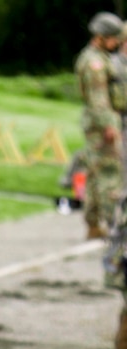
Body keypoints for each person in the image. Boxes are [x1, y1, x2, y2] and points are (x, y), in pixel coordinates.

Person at [75, 11, 124, 241]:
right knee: (109, 176)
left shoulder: (97, 58)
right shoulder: (94, 62)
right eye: (113, 37)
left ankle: (93, 224)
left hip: (98, 124)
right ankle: (114, 224)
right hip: (101, 126)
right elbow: (98, 98)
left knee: (95, 176)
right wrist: (109, 125)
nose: (116, 42)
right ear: (102, 36)